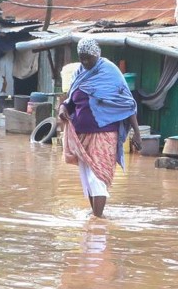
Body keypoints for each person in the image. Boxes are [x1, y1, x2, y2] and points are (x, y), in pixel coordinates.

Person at [58, 38, 141, 219]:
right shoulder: (79, 74)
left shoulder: (111, 73)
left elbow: (127, 104)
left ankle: (97, 221)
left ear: (97, 55)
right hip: (82, 134)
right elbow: (70, 102)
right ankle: (95, 217)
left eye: (89, 59)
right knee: (87, 178)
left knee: (98, 175)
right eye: (82, 58)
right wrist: (63, 109)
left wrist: (137, 133)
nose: (85, 63)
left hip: (104, 132)